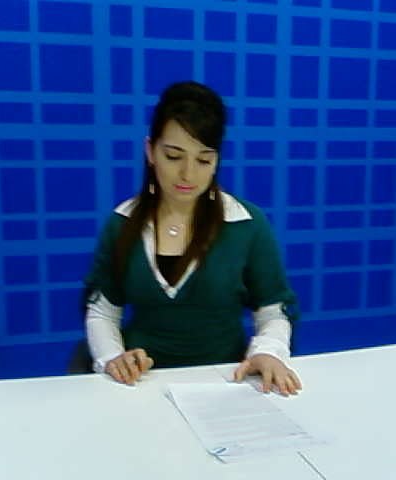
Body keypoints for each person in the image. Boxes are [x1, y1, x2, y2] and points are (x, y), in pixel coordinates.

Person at [81, 81, 302, 395]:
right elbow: (102, 311)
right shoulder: (122, 224)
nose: (188, 174)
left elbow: (273, 310)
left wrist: (268, 352)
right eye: (174, 156)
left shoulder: (246, 224)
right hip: (141, 386)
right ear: (150, 151)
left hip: (227, 381)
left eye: (203, 160)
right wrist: (113, 359)